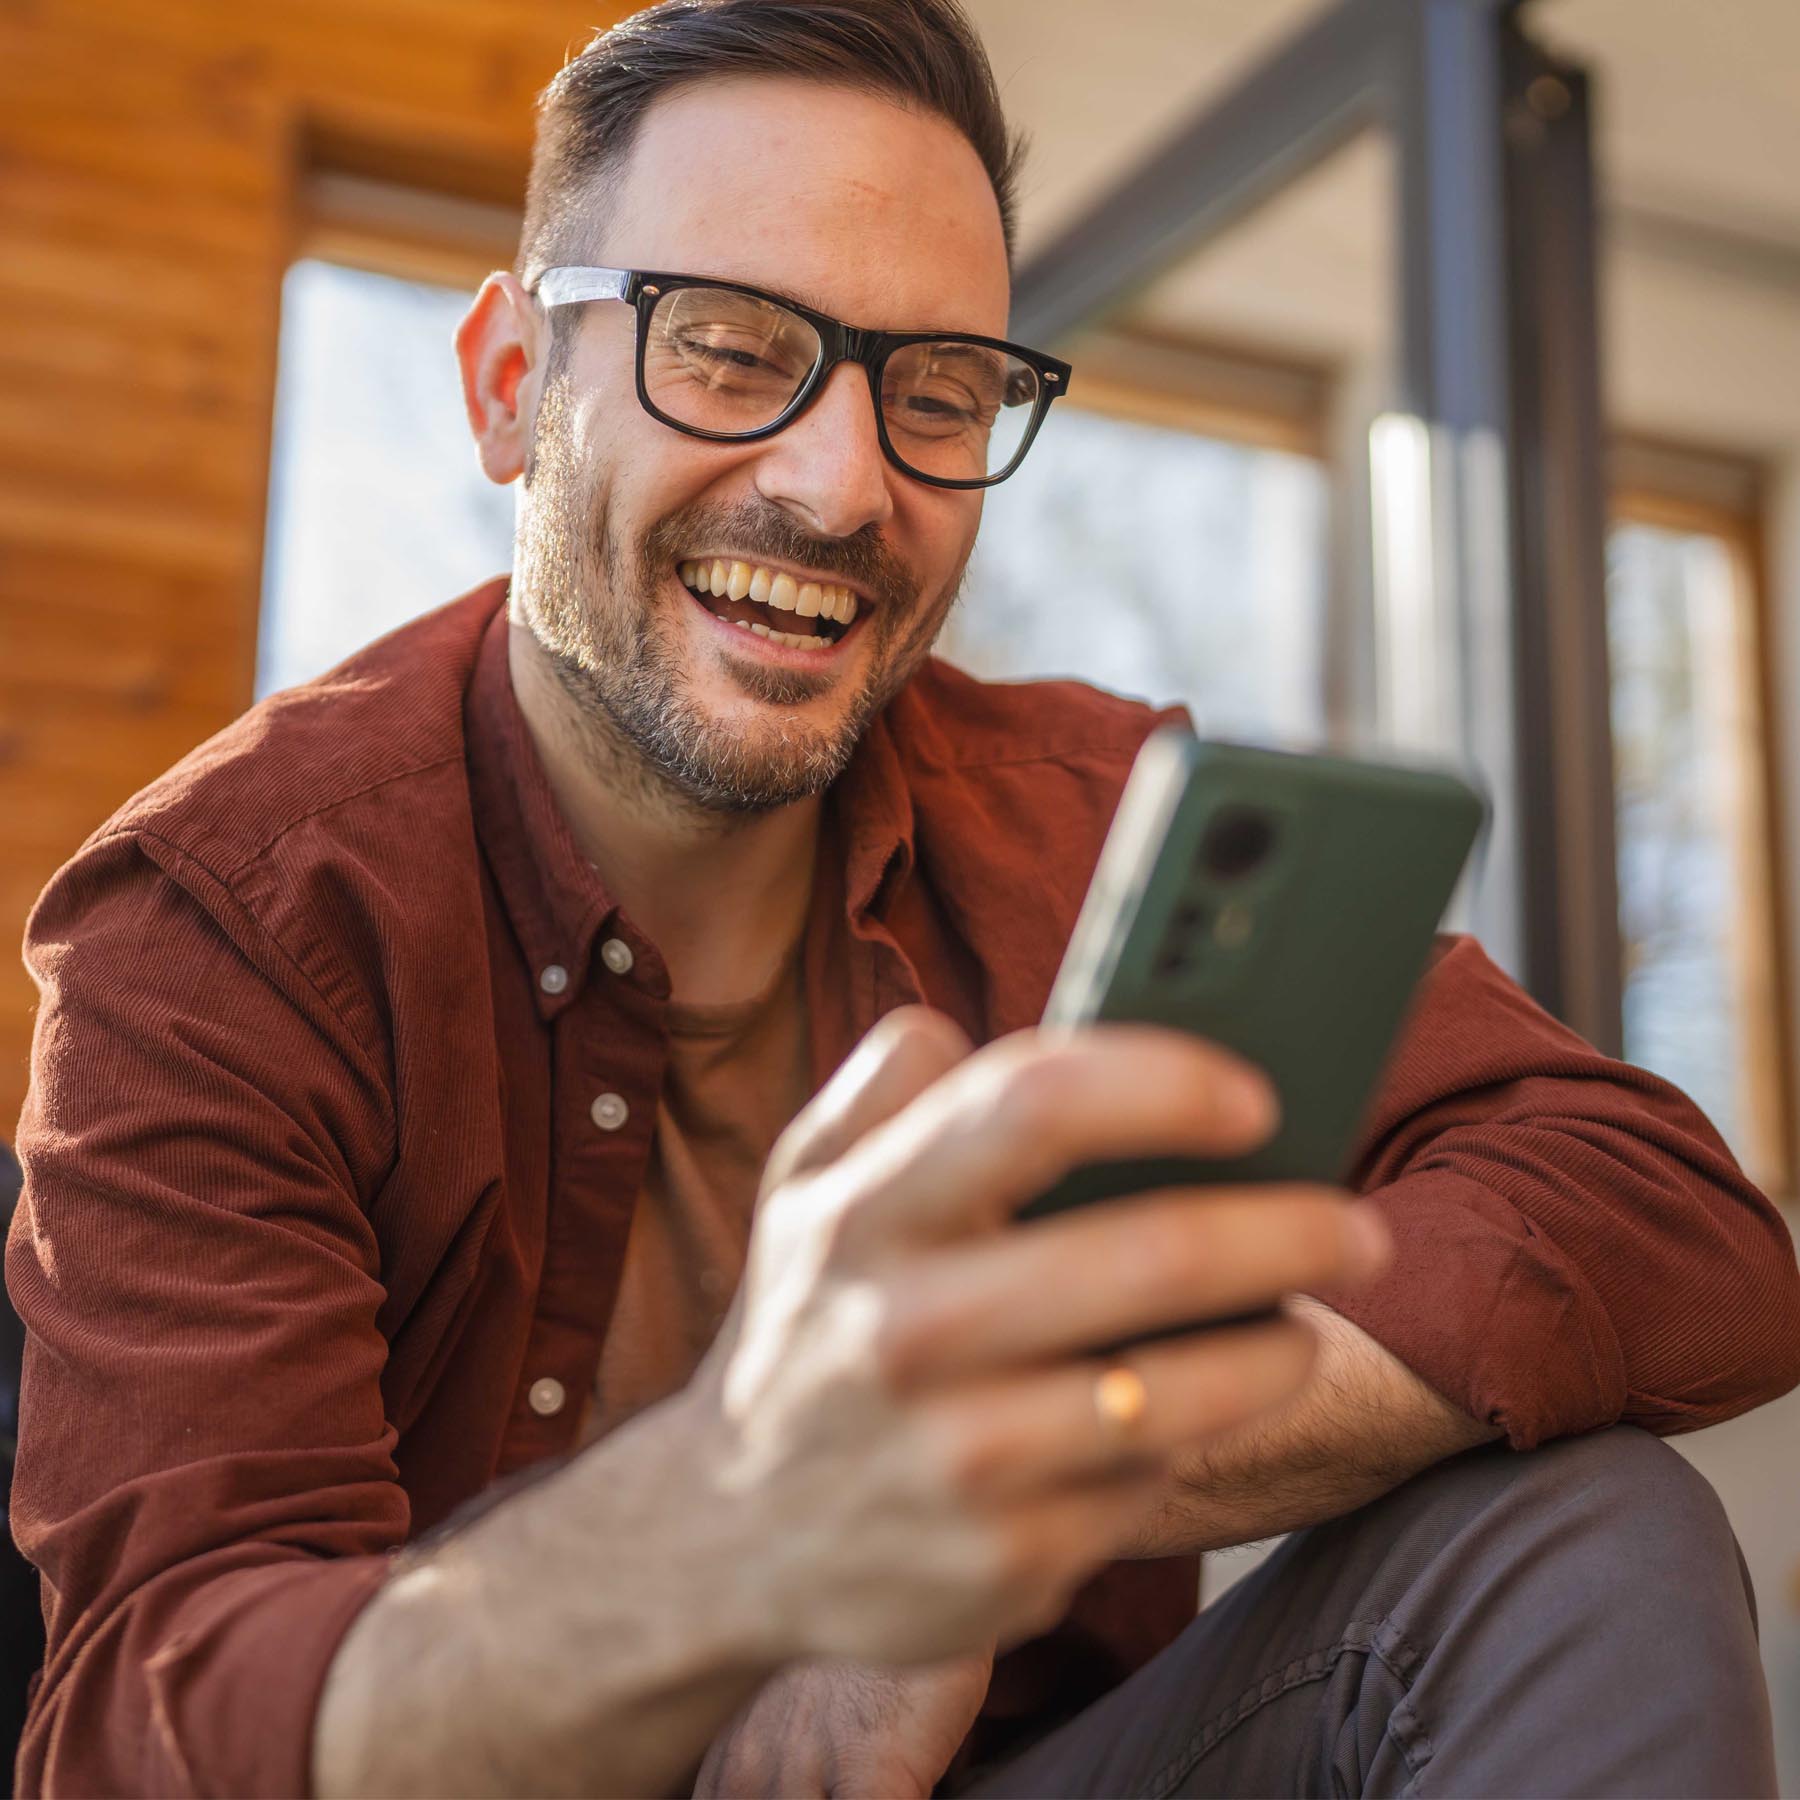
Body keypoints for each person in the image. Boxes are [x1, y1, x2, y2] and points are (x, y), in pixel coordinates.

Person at [8, 2, 1798, 1794]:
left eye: (937, 392)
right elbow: (159, 1728)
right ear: (508, 390)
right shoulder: (221, 923)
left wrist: (1015, 1474)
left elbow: (1672, 1225)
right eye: (721, 349)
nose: (841, 483)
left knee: (1581, 1537)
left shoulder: (1083, 820)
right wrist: (761, 1526)